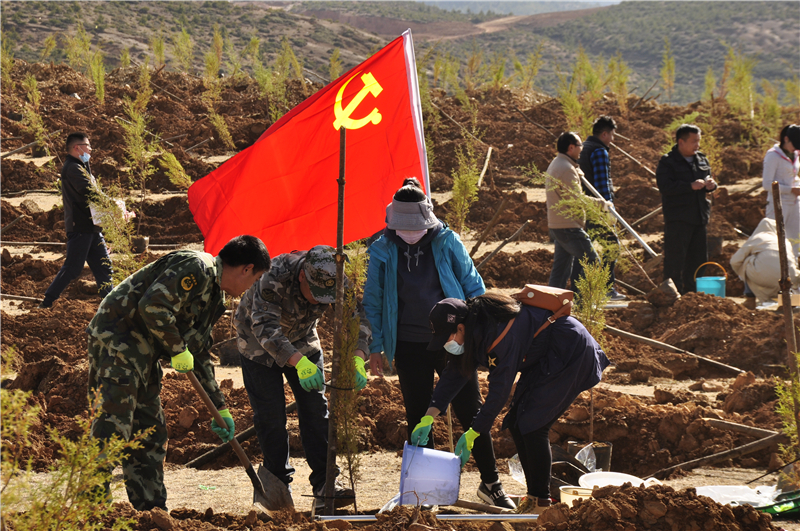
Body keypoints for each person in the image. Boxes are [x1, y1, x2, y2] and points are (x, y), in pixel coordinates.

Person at [87, 235, 271, 511]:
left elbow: (197, 351)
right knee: (114, 424)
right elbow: (152, 306)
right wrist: (176, 347)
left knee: (149, 431)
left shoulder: (214, 296)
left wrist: (219, 407)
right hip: (118, 341)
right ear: (246, 269)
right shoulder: (196, 267)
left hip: (144, 352)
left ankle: (151, 511)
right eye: (255, 280)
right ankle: (91, 509)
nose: (250, 288)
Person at [363, 178, 515, 510]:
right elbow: (372, 300)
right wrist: (376, 345)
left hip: (455, 340)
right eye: (404, 229)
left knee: (469, 410)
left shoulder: (447, 241)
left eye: (415, 228)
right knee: (419, 416)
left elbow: (474, 287)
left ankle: (490, 484)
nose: (410, 234)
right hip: (408, 342)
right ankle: (426, 493)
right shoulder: (383, 248)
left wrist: (478, 336)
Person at [418, 294, 610, 515]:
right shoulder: (475, 331)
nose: (446, 344)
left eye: (447, 337)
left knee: (534, 425)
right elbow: (454, 373)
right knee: (519, 421)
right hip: (545, 358)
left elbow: (499, 393)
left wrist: (474, 431)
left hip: (569, 352)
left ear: (460, 328)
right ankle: (534, 497)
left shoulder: (498, 335)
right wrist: (429, 416)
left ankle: (541, 504)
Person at [235, 244, 372, 510]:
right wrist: (299, 364)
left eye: (327, 297)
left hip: (302, 337)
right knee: (271, 416)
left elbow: (358, 319)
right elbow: (265, 330)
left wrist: (358, 357)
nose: (321, 302)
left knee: (315, 409)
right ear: (302, 277)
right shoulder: (273, 276)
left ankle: (325, 483)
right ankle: (277, 487)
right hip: (256, 343)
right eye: (316, 294)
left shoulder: (338, 277)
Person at [39, 132, 113, 308]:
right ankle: (47, 302)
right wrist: (111, 204)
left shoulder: (81, 166)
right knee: (72, 268)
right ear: (77, 147)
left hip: (92, 227)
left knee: (104, 266)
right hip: (80, 226)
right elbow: (88, 192)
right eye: (88, 146)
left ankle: (110, 305)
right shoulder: (72, 167)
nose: (90, 150)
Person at [656, 124, 717, 294]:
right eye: (694, 141)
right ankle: (672, 295)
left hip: (699, 217)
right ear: (681, 142)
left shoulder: (702, 159)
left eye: (699, 141)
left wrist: (712, 186)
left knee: (698, 259)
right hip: (679, 218)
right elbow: (665, 186)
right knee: (675, 260)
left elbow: (709, 180)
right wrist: (689, 186)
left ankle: (692, 295)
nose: (697, 145)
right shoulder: (668, 162)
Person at [546, 132, 609, 293]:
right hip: (569, 227)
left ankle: (550, 304)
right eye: (580, 146)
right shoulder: (566, 169)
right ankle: (582, 302)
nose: (581, 149)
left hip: (559, 225)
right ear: (571, 147)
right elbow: (577, 199)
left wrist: (577, 170)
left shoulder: (559, 164)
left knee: (561, 270)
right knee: (593, 262)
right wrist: (602, 204)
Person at [578, 115, 625, 301]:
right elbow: (601, 184)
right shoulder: (598, 151)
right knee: (612, 247)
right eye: (612, 135)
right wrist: (608, 209)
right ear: (604, 134)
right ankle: (606, 289)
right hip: (597, 208)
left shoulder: (582, 148)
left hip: (581, 206)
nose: (613, 139)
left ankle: (589, 289)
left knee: (585, 250)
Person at [763, 124, 800, 260]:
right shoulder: (773, 156)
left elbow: (793, 176)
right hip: (778, 204)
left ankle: (794, 271)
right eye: (794, 144)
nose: (795, 148)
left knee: (795, 240)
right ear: (786, 139)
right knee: (775, 238)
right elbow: (767, 184)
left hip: (795, 203)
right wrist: (791, 190)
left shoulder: (795, 153)